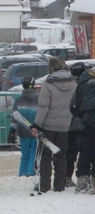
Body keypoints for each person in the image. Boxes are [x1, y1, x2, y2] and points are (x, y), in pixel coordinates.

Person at [31, 57, 76, 193]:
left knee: (46, 155)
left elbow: (43, 107)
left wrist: (37, 125)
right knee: (61, 155)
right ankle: (59, 186)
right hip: (65, 125)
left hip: (48, 125)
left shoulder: (49, 84)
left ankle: (44, 186)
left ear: (51, 68)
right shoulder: (74, 84)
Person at [12, 76, 38, 177]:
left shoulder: (18, 100)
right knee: (33, 153)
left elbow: (14, 117)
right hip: (35, 130)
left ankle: (22, 173)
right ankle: (30, 172)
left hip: (23, 131)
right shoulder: (38, 99)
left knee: (24, 154)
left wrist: (12, 130)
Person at [74, 65, 95, 193]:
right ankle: (82, 181)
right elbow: (86, 104)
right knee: (86, 152)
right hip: (90, 123)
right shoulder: (90, 83)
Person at [65, 62, 86, 187]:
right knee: (85, 153)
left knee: (70, 154)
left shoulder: (70, 85)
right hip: (84, 124)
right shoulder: (86, 84)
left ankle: (68, 177)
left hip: (70, 124)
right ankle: (84, 177)